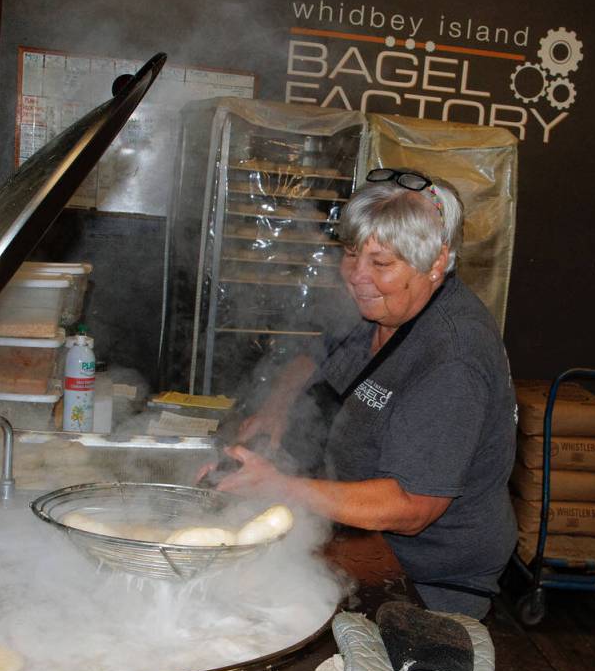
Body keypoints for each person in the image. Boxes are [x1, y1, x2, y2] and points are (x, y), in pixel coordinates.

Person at [200, 168, 517, 619]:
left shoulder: (452, 359)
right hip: (356, 537)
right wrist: (275, 410)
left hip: (423, 579)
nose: (357, 277)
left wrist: (281, 487)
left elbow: (412, 505)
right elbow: (316, 351)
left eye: (382, 263)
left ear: (437, 262)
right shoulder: (379, 304)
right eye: (350, 254)